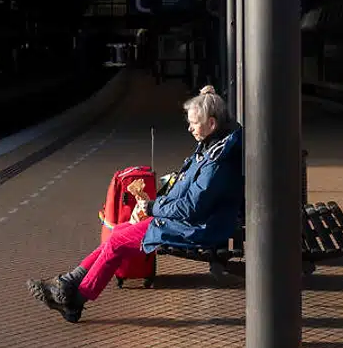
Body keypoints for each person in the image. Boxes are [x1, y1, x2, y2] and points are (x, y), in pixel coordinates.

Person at [27, 85, 243, 323]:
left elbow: (191, 209)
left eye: (194, 123)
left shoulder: (216, 162)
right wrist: (209, 97)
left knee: (118, 240)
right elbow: (226, 125)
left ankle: (75, 299)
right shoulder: (216, 142)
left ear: (212, 124)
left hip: (197, 226)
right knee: (119, 232)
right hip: (188, 218)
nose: (189, 128)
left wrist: (152, 207)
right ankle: (69, 283)